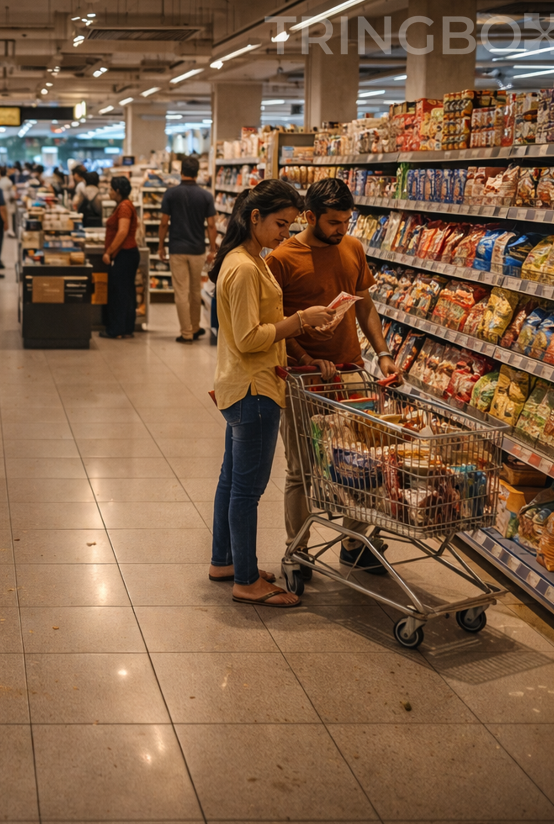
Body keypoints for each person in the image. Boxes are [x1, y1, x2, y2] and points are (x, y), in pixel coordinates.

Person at [209, 179, 339, 607]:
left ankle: (225, 561)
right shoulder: (245, 267)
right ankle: (246, 581)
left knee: (231, 482)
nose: (285, 234)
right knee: (246, 491)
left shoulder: (246, 258)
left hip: (242, 383)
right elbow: (249, 338)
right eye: (280, 224)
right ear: (254, 217)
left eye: (290, 225)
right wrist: (300, 320)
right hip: (255, 389)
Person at [266, 177, 401, 575]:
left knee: (365, 462)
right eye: (334, 222)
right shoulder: (281, 258)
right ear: (310, 217)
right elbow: (272, 323)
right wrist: (306, 355)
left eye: (346, 220)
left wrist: (384, 353)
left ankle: (354, 543)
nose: (342, 229)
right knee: (301, 468)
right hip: (301, 377)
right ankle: (298, 550)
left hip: (351, 370)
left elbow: (366, 307)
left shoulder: (353, 248)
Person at [159, 155, 218, 343]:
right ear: (197, 173)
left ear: (181, 172)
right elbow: (211, 225)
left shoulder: (170, 194)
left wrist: (161, 246)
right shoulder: (206, 195)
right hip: (198, 249)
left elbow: (163, 223)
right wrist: (212, 248)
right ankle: (195, 327)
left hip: (177, 248)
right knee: (194, 290)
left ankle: (186, 333)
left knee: (181, 292)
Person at [100, 175, 141, 339]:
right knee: (127, 292)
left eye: (110, 189)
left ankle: (116, 329)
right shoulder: (125, 205)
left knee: (119, 293)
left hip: (124, 253)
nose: (109, 192)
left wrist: (109, 252)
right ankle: (126, 328)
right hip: (128, 253)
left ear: (117, 191)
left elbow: (123, 231)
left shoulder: (124, 207)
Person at [0, 166, 16, 237]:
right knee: (9, 215)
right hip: (7, 199)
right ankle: (10, 230)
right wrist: (14, 196)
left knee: (1, 214)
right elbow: (12, 193)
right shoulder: (8, 181)